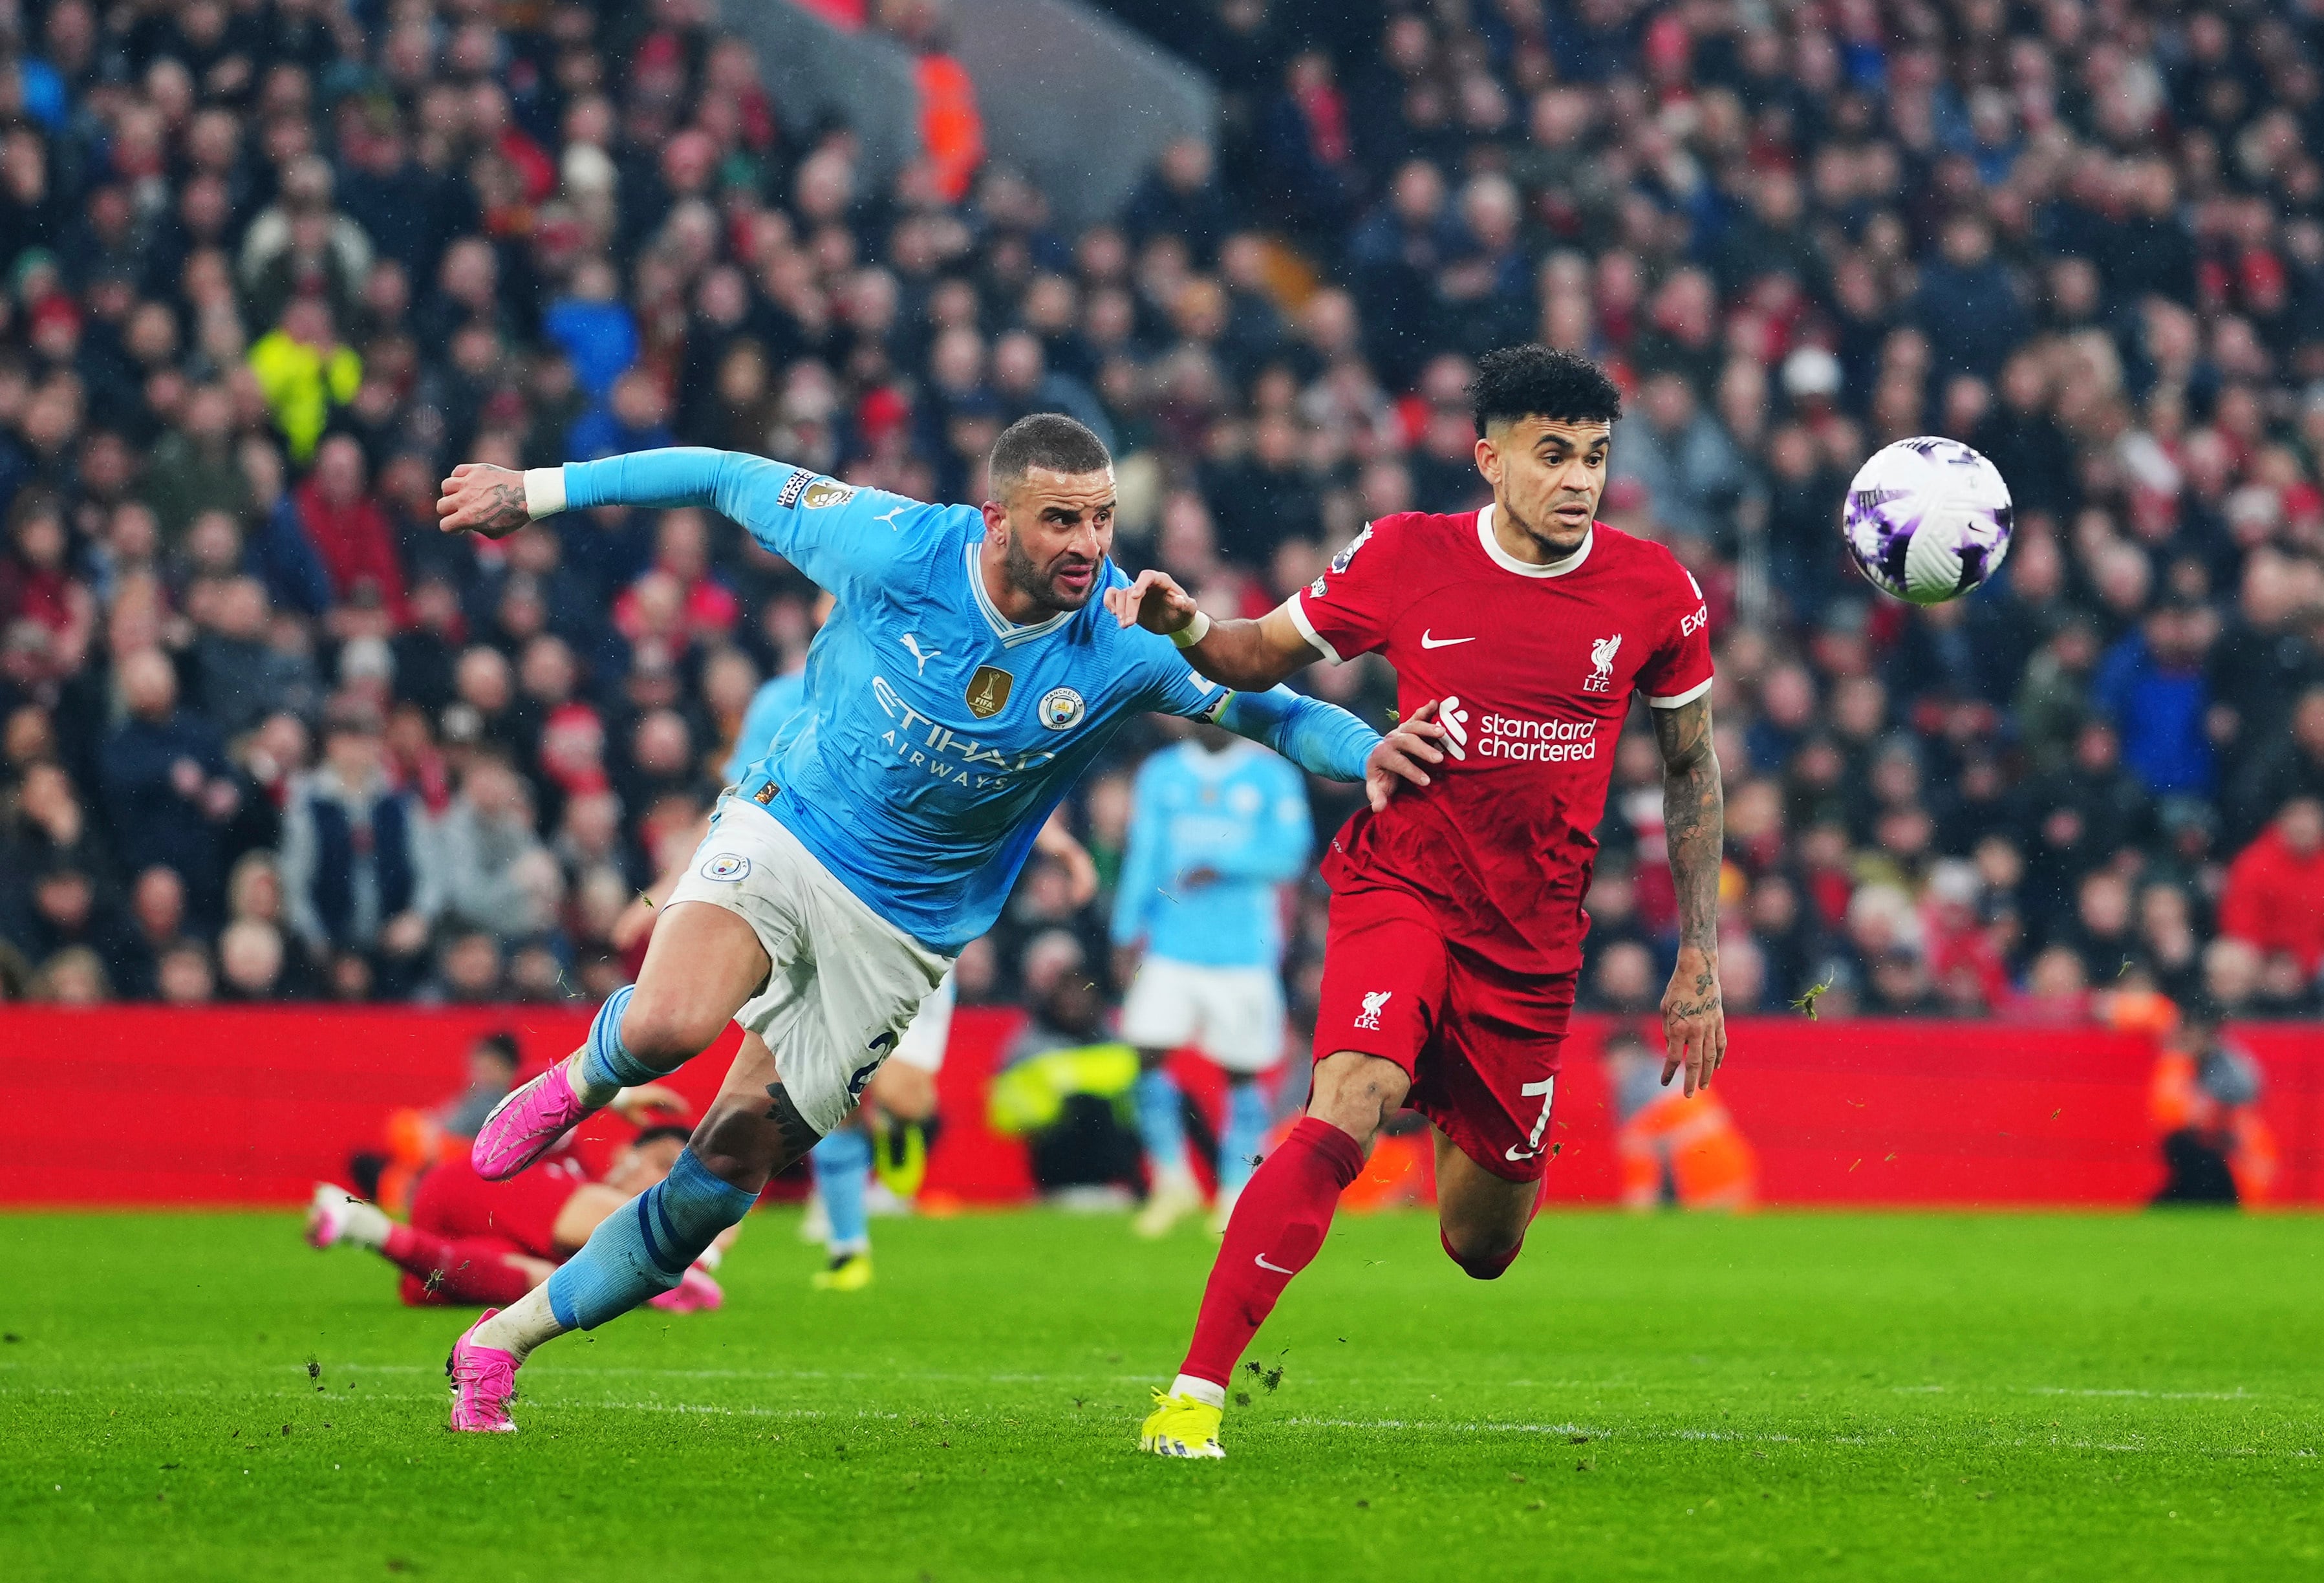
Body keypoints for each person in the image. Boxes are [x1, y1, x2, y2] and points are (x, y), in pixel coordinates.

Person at [427, 413, 1445, 1431]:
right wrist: (540, 489)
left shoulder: (1126, 638)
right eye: (1060, 521)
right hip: (793, 832)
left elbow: (1272, 712)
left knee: (727, 1166)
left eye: (1101, 519)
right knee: (665, 1027)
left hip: (905, 937)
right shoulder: (895, 543)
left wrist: (1366, 753)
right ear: (996, 521)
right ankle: (580, 1081)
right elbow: (722, 473)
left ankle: (500, 1343)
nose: (1088, 545)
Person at [1108, 345, 1726, 1458]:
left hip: (1531, 942)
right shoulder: (1404, 555)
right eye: (1550, 456)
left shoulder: (1654, 591)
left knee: (1479, 1243)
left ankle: (1450, 1086)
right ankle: (1191, 1395)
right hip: (1402, 885)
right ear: (1489, 460)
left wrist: (1699, 956)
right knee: (1348, 1092)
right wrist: (1191, 629)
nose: (1576, 479)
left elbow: (1690, 771)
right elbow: (1255, 655)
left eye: (1592, 457)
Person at [1110, 715, 1312, 1236]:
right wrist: (1126, 928)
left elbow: (1291, 853)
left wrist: (1223, 862)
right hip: (1171, 943)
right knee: (1145, 1053)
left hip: (1244, 950)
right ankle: (1172, 1180)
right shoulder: (1162, 773)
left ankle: (1234, 1191)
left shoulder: (1271, 777)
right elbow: (1145, 855)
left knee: (1241, 1071)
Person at [306, 1126, 727, 1312]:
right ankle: (655, 1269)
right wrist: (614, 1093)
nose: (667, 1181)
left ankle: (367, 1228)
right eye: (663, 1163)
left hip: (446, 1251)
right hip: (471, 1186)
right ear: (623, 1154)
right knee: (611, 1225)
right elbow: (530, 1081)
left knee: (544, 1282)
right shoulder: (575, 1164)